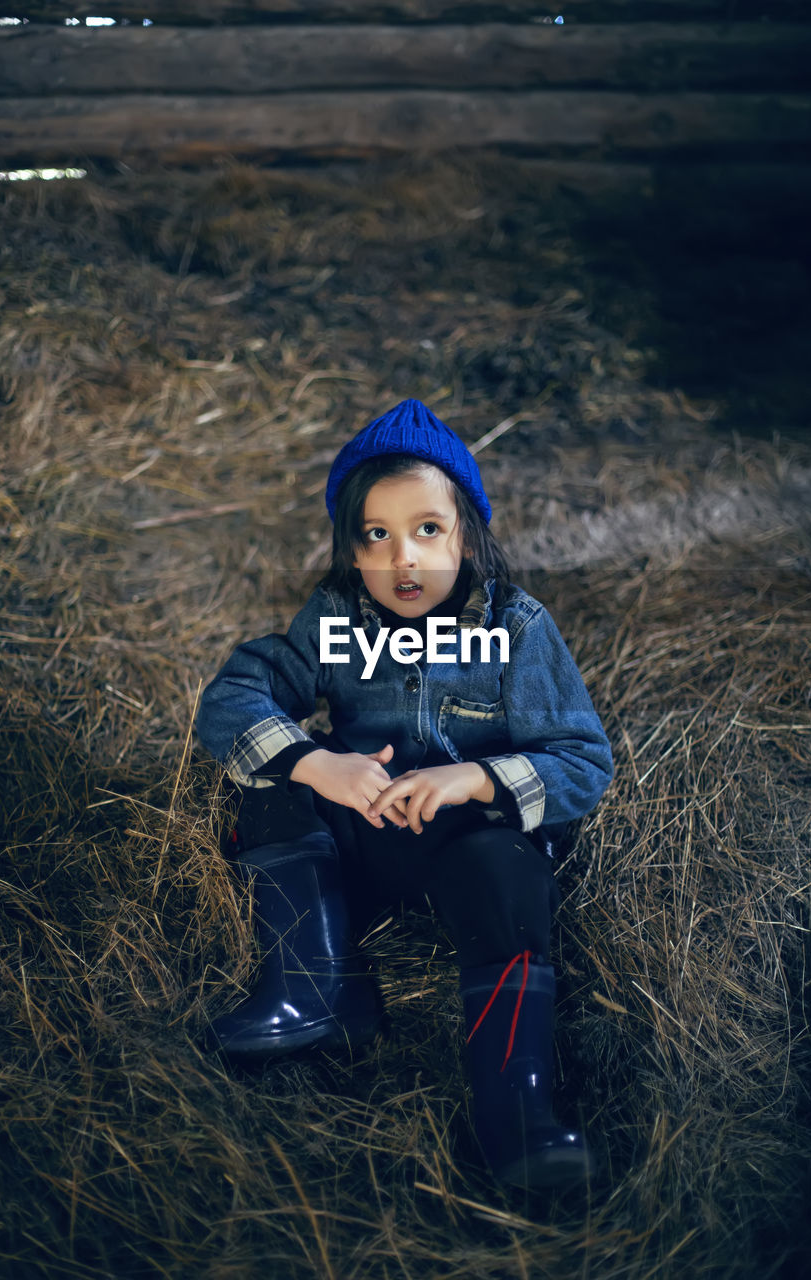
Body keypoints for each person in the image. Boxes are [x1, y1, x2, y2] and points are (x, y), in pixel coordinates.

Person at [196, 398, 614, 1191]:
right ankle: (316, 987)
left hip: (470, 840)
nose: (403, 561)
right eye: (375, 536)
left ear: (467, 533)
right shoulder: (332, 620)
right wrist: (320, 767)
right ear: (350, 550)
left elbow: (581, 761)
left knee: (505, 873)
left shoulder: (518, 629)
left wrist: (474, 777)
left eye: (426, 529)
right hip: (366, 832)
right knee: (274, 786)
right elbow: (233, 698)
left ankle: (515, 1110)